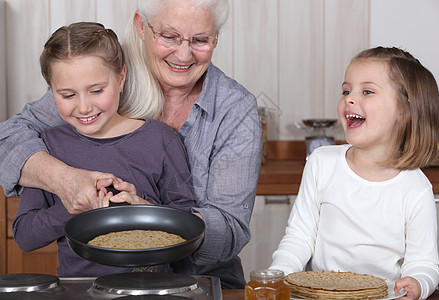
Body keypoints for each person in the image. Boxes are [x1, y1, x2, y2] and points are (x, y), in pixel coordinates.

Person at [0, 0, 262, 288]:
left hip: (198, 282)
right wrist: (67, 183)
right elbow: (10, 136)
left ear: (216, 38)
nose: (184, 54)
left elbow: (230, 229)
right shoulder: (97, 75)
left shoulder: (233, 110)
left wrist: (148, 215)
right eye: (169, 36)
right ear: (141, 25)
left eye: (200, 40)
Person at [12, 22, 196, 277]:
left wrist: (140, 206)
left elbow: (188, 226)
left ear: (121, 78)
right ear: (51, 92)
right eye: (67, 95)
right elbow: (25, 236)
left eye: (97, 90)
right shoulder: (48, 147)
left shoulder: (160, 139)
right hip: (79, 292)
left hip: (155, 288)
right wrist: (73, 205)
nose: (84, 107)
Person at [270, 47, 439, 300]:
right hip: (318, 295)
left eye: (367, 91)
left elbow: (424, 263)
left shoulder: (416, 189)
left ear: (404, 111)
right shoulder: (321, 163)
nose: (349, 98)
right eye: (346, 90)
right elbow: (300, 236)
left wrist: (419, 283)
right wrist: (279, 274)